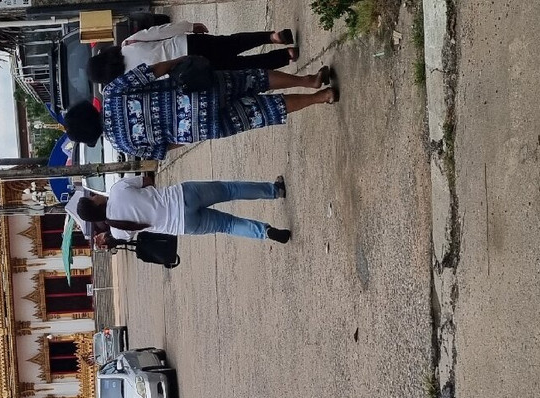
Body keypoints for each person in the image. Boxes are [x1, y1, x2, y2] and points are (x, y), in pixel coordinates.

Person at [64, 61, 336, 161]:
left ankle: (321, 97)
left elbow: (165, 148)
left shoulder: (124, 145)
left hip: (204, 127)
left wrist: (194, 133)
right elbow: (150, 72)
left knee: (264, 110)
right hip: (200, 89)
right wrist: (180, 63)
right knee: (254, 79)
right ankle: (308, 80)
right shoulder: (111, 93)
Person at [79, 174, 292, 244]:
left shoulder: (117, 232)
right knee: (230, 190)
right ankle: (275, 191)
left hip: (183, 224)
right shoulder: (117, 190)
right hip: (182, 195)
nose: (96, 195)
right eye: (93, 197)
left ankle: (266, 232)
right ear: (94, 203)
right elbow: (147, 180)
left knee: (227, 225)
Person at [87, 23, 296, 85]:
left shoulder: (129, 80)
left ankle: (286, 55)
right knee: (232, 42)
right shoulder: (127, 44)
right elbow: (158, 32)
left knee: (240, 67)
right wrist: (189, 26)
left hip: (188, 68)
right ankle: (273, 37)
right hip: (187, 43)